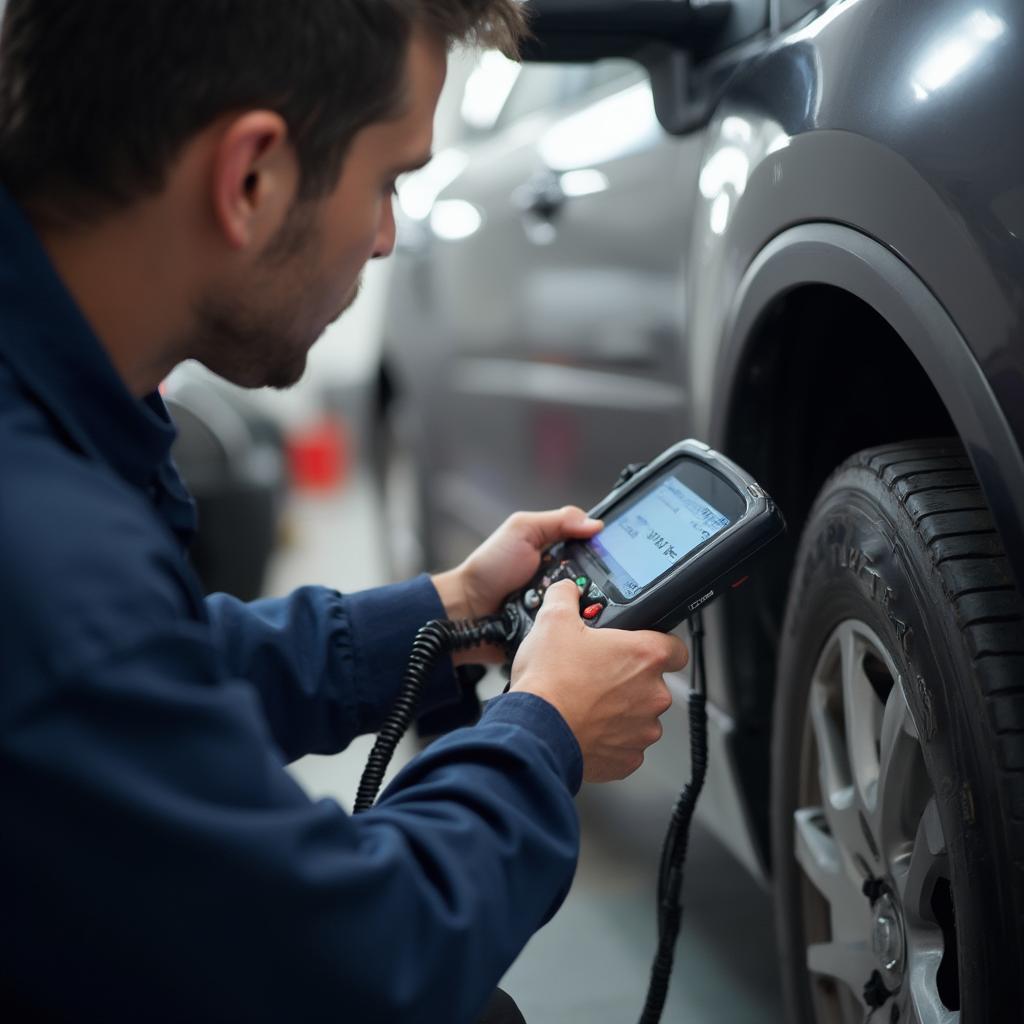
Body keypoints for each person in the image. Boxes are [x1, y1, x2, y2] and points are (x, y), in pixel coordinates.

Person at [0, 2, 688, 1021]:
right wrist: (545, 736)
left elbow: (152, 677)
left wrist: (442, 610)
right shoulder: (50, 551)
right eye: (388, 181)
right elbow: (358, 962)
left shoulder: (56, 437)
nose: (385, 239)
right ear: (252, 178)